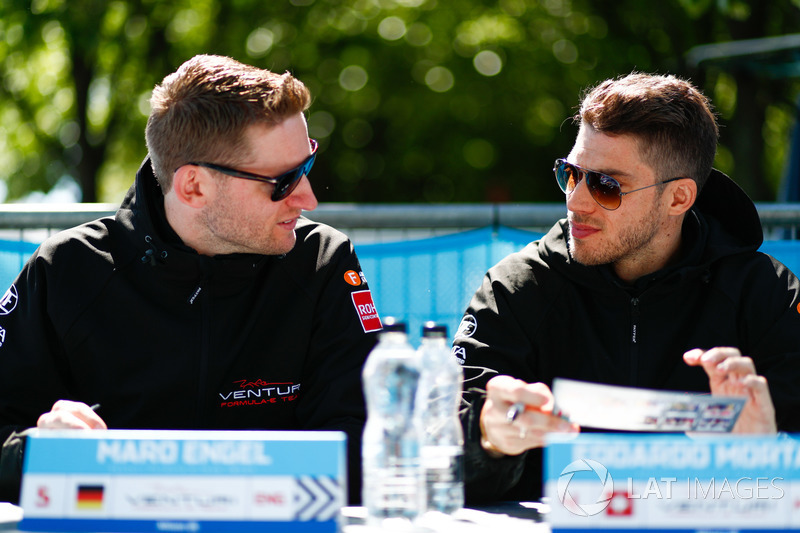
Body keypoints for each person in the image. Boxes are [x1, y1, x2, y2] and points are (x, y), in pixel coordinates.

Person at [0, 55, 382, 504]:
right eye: (283, 181)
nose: (309, 198)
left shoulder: (322, 262)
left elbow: (368, 441)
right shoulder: (65, 269)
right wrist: (36, 450)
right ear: (193, 187)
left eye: (308, 165)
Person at [454, 73, 800, 503]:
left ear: (678, 198)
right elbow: (438, 451)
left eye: (606, 185)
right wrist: (489, 440)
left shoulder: (763, 292)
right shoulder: (518, 285)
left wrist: (769, 450)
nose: (577, 201)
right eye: (571, 174)